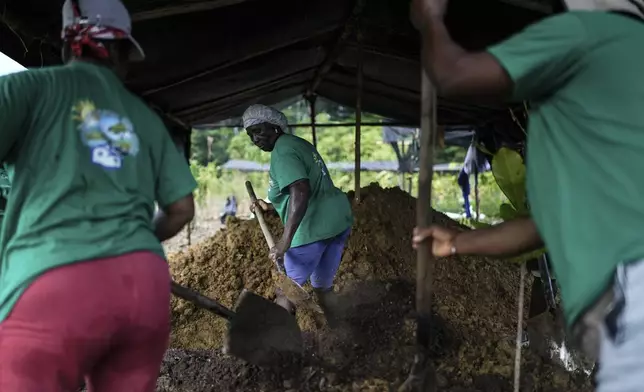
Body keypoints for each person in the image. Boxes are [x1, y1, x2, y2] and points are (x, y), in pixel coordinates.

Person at [410, 0, 644, 389]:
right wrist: (458, 243)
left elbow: (453, 74)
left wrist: (429, 17)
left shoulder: (588, 35)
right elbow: (546, 225)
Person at [0, 0, 197, 391]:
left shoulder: (32, 88)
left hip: (54, 280)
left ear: (67, 45)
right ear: (120, 53)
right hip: (143, 285)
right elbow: (180, 210)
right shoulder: (145, 117)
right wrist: (128, 242)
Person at [242, 104, 353, 326]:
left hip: (311, 230)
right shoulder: (298, 144)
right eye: (251, 134)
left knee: (287, 293)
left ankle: (274, 348)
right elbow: (307, 188)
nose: (256, 139)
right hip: (336, 223)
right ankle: (341, 334)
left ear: (275, 128)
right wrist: (271, 206)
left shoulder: (282, 152)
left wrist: (284, 242)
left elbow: (301, 190)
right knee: (322, 287)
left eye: (259, 131)